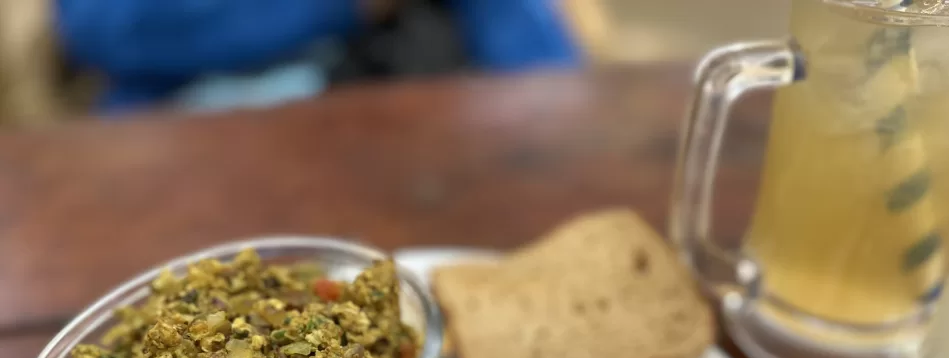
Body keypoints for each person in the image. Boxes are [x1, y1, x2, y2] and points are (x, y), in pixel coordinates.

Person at [55, 0, 581, 112]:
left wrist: (549, 100)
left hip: (395, 127)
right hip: (182, 134)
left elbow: (531, 49)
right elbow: (102, 28)